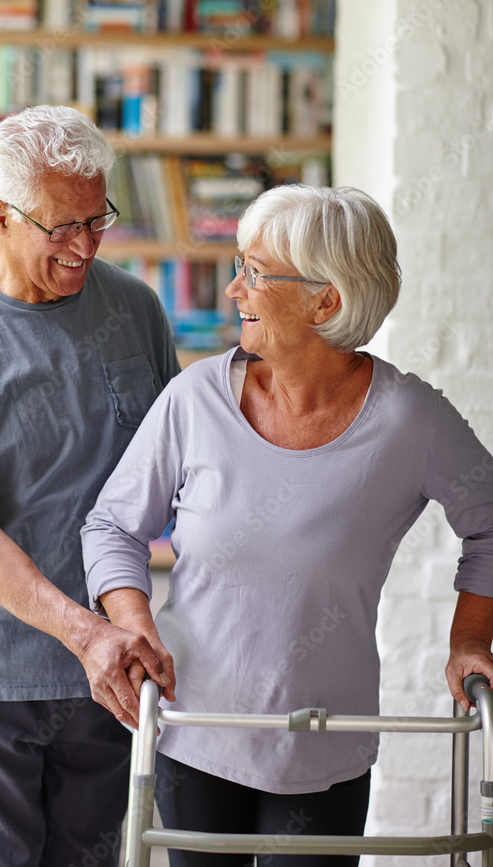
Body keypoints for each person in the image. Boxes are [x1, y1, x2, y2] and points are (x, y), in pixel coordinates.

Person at [81, 184, 493, 867]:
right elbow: (112, 527)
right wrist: (133, 621)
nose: (233, 291)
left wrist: (469, 638)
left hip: (326, 745)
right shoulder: (195, 400)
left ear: (323, 301)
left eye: (255, 272)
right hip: (193, 728)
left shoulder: (409, 421)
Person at [0, 104, 179, 867]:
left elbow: (171, 476)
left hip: (111, 672)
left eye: (98, 219)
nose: (85, 245)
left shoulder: (137, 309)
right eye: (61, 227)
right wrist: (86, 633)